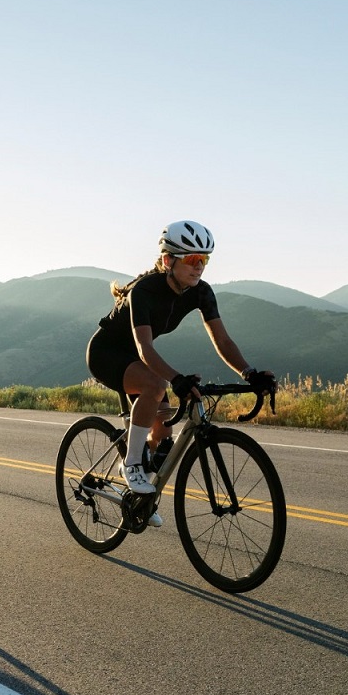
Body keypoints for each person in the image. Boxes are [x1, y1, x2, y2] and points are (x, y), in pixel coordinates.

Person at [85, 220, 275, 526]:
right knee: (156, 386)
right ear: (167, 260)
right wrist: (176, 379)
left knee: (162, 433)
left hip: (136, 357)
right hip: (106, 354)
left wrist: (249, 373)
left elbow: (222, 340)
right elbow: (145, 349)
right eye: (191, 259)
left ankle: (141, 489)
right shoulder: (144, 291)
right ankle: (131, 465)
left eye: (204, 260)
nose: (199, 267)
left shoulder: (200, 292)